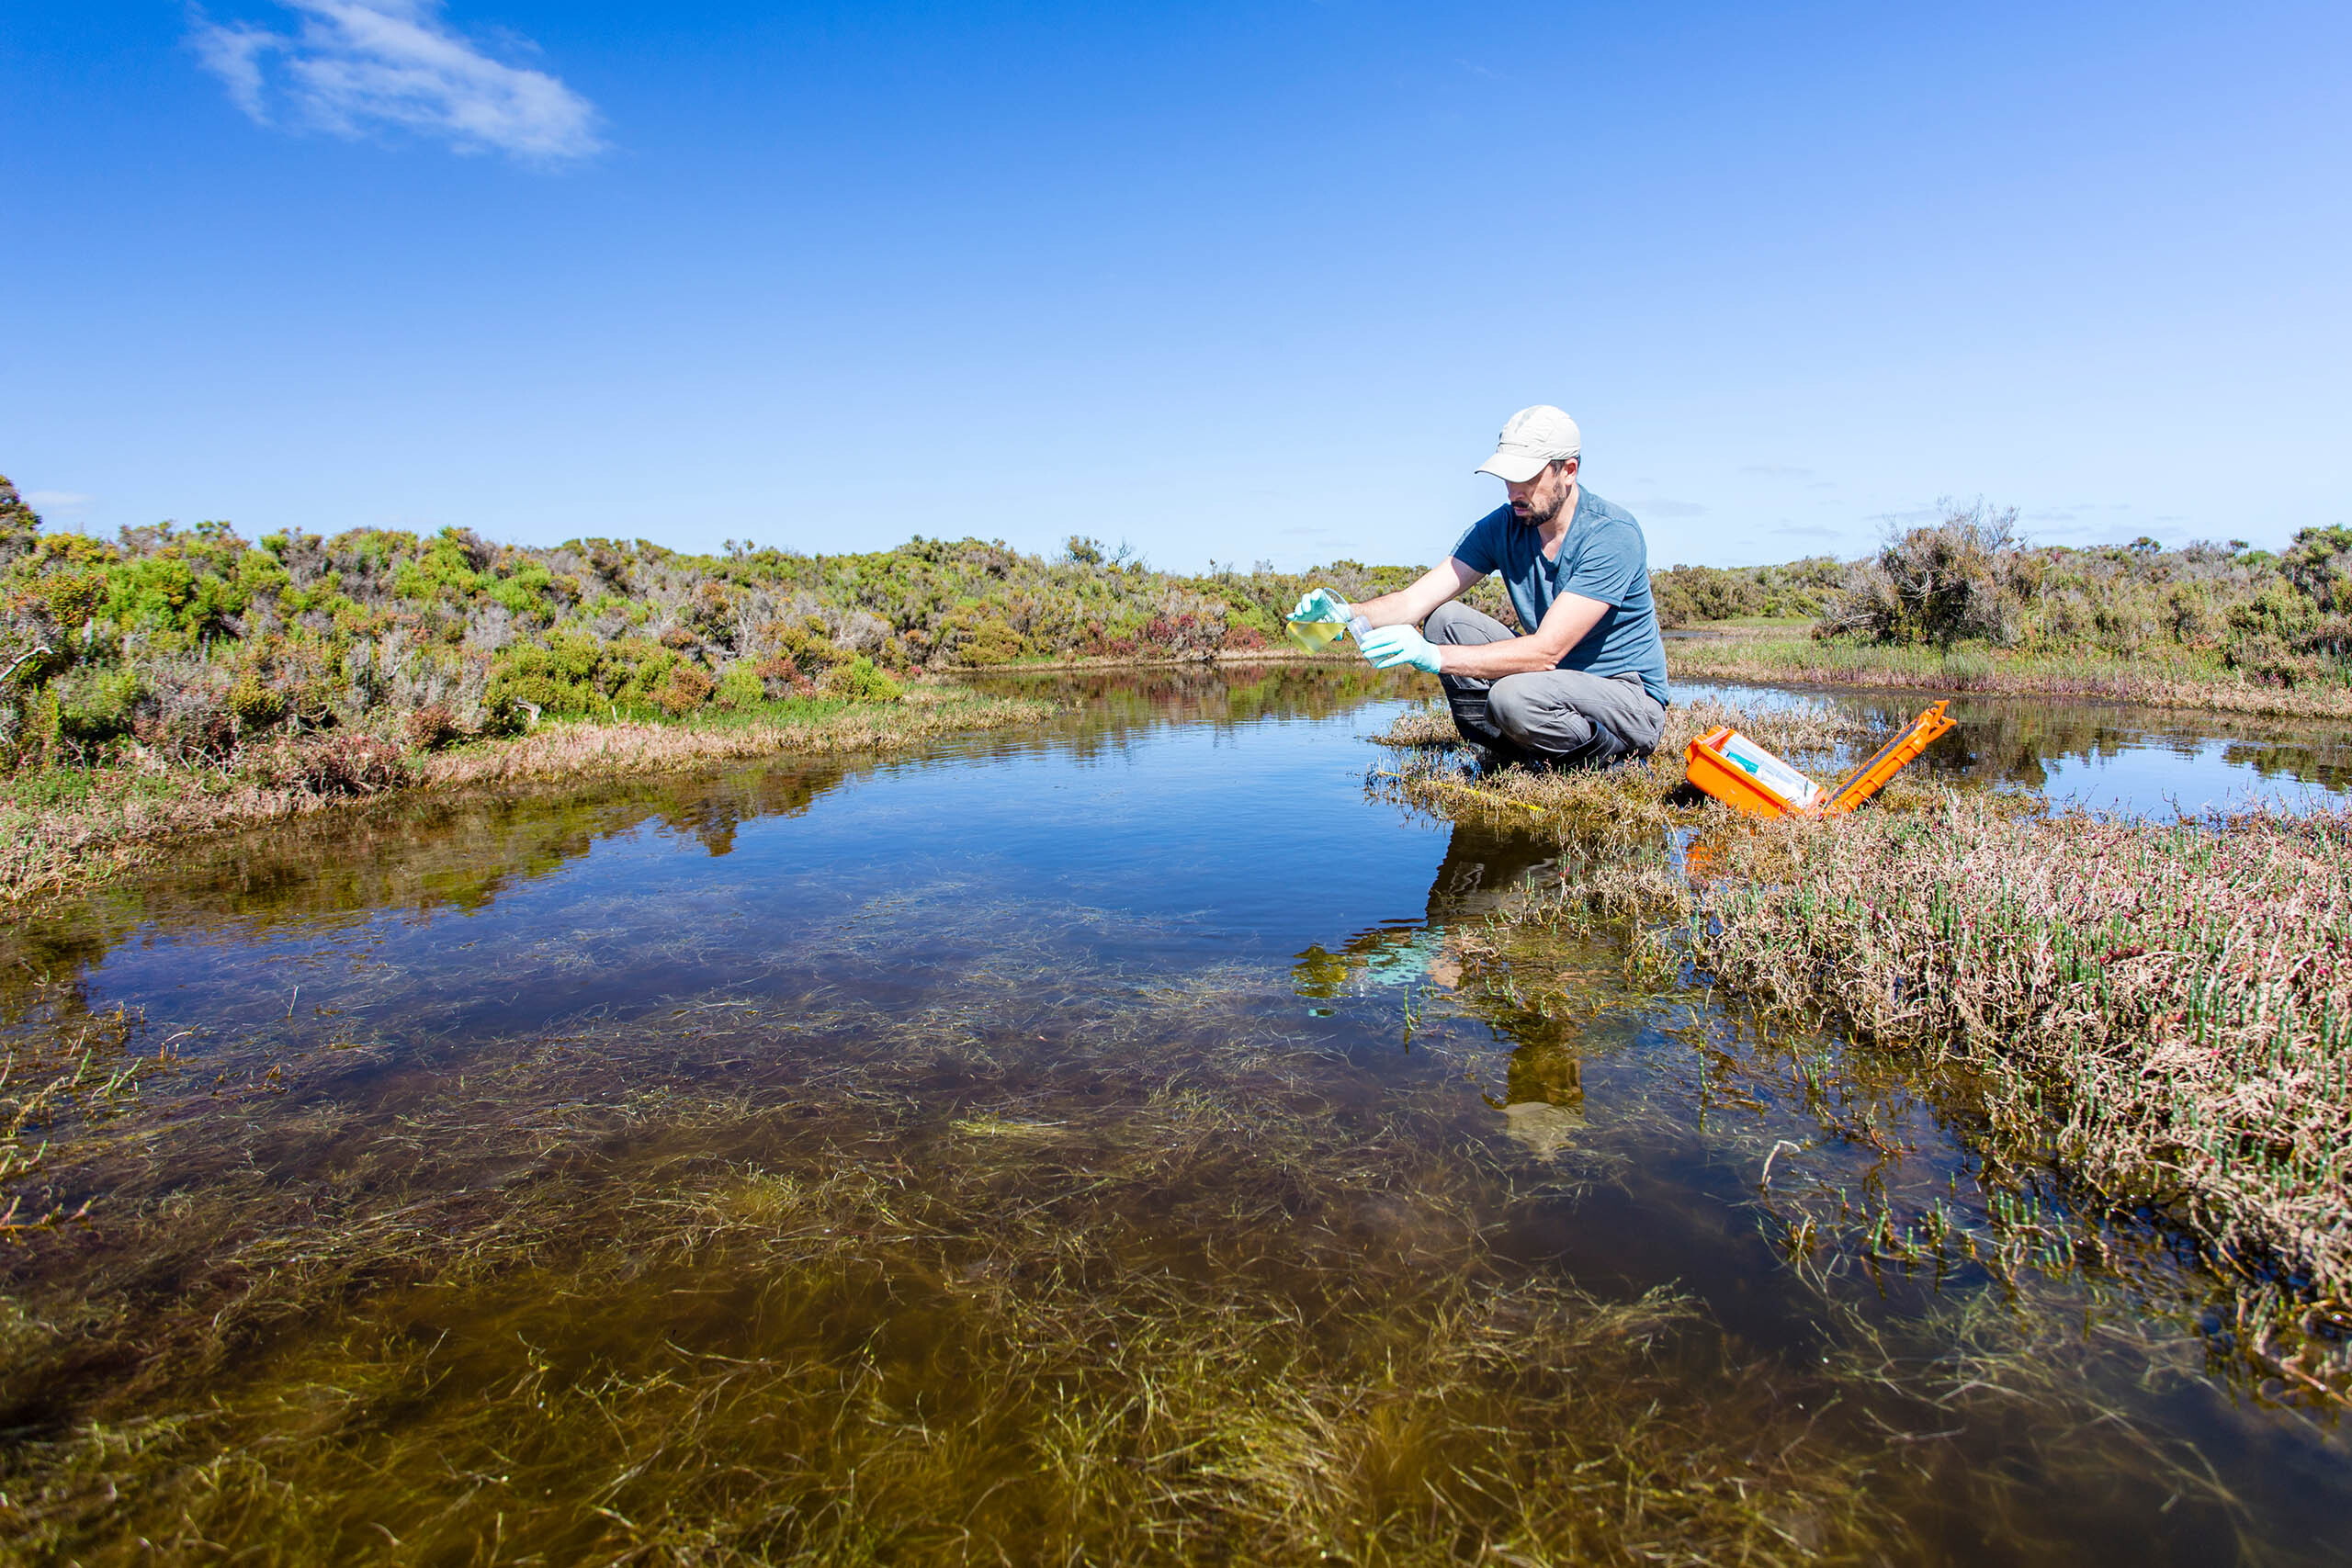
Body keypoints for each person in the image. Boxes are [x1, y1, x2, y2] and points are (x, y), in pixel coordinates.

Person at [1293, 405, 1668, 770]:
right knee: (1444, 620)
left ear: (1568, 471)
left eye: (1528, 477)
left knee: (1513, 697)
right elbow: (1414, 601)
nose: (1513, 492)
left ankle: (1607, 758)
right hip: (1550, 685)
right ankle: (1510, 747)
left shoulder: (1611, 534)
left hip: (1626, 696)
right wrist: (1347, 614)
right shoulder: (1505, 525)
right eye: (1508, 477)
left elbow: (1547, 652)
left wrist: (1433, 656)